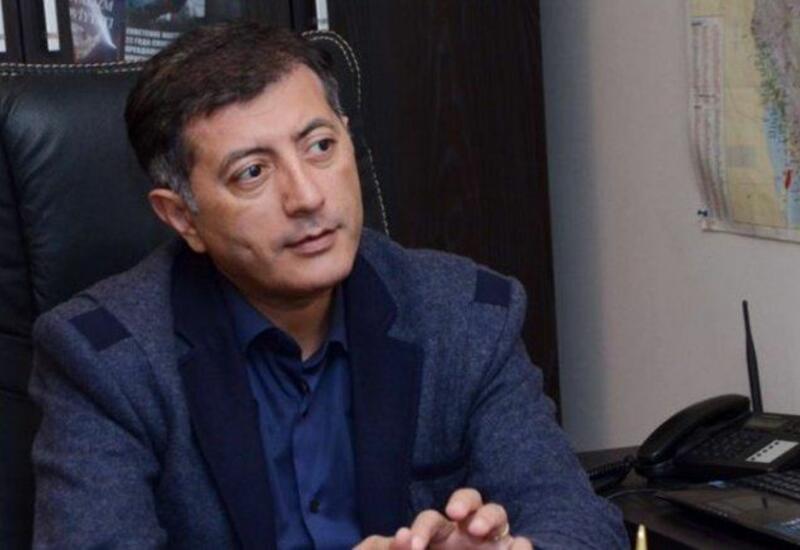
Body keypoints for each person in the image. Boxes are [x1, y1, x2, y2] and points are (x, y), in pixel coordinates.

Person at [29, 22, 626, 549]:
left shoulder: (467, 315)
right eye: (253, 172)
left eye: (320, 147)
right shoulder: (104, 362)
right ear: (182, 216)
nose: (307, 196)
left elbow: (580, 523)